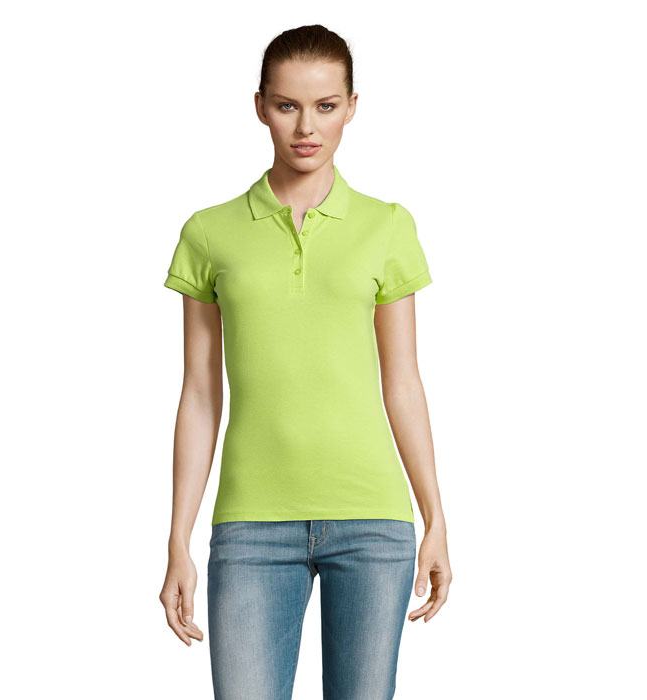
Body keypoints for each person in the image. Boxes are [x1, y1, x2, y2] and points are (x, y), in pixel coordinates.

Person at [159, 24, 452, 700]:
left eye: (326, 106)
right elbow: (199, 394)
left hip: (372, 522)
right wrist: (178, 536)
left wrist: (435, 516)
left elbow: (403, 381)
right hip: (250, 526)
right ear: (260, 106)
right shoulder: (209, 233)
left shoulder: (387, 225)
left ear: (352, 107)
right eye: (288, 105)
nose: (306, 127)